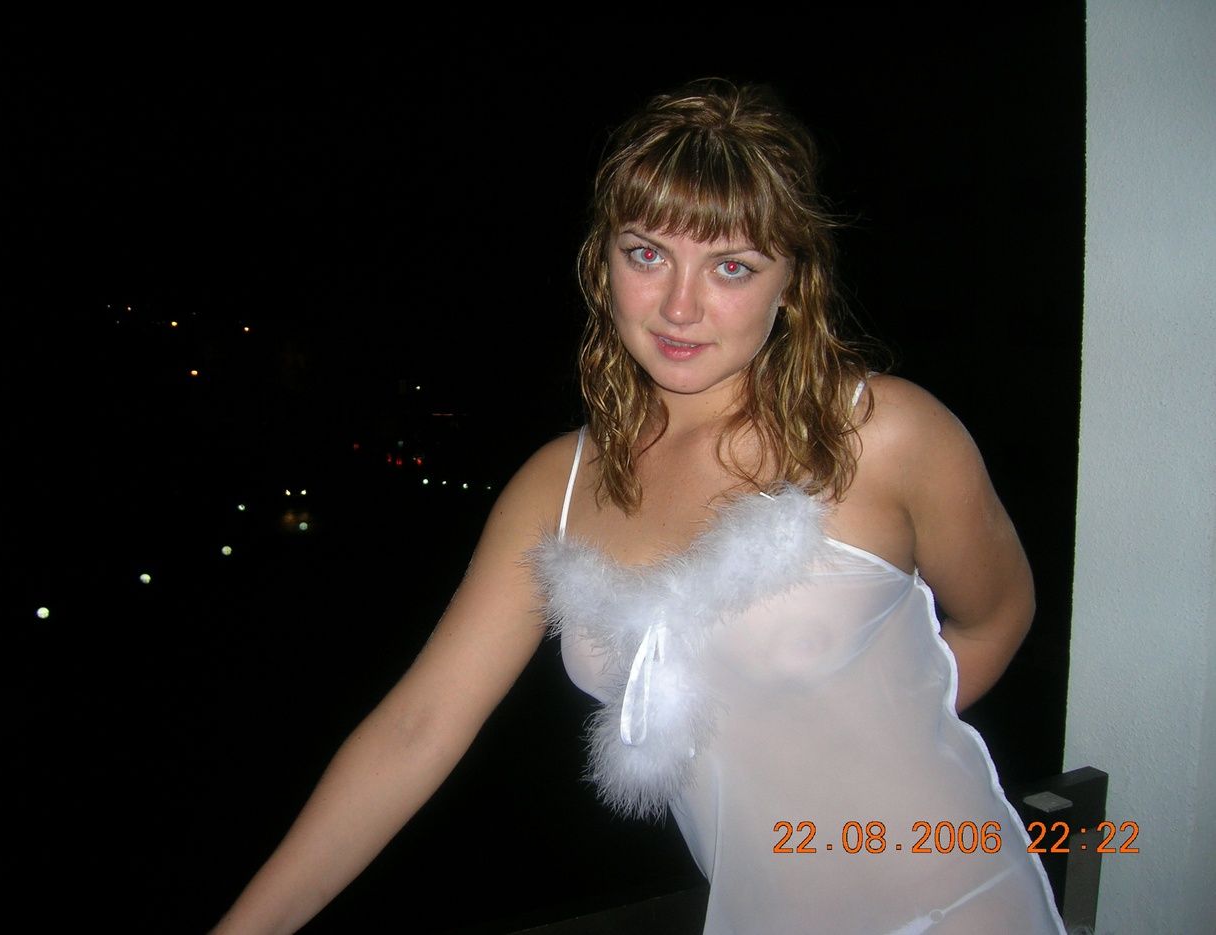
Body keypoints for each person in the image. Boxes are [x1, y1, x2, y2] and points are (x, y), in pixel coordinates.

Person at [213, 79, 1065, 934]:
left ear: (793, 281)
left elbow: (1000, 615)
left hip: (957, 907)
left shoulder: (882, 434)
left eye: (732, 266)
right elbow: (417, 728)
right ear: (603, 261)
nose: (680, 306)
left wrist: (872, 749)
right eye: (648, 253)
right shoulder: (557, 486)